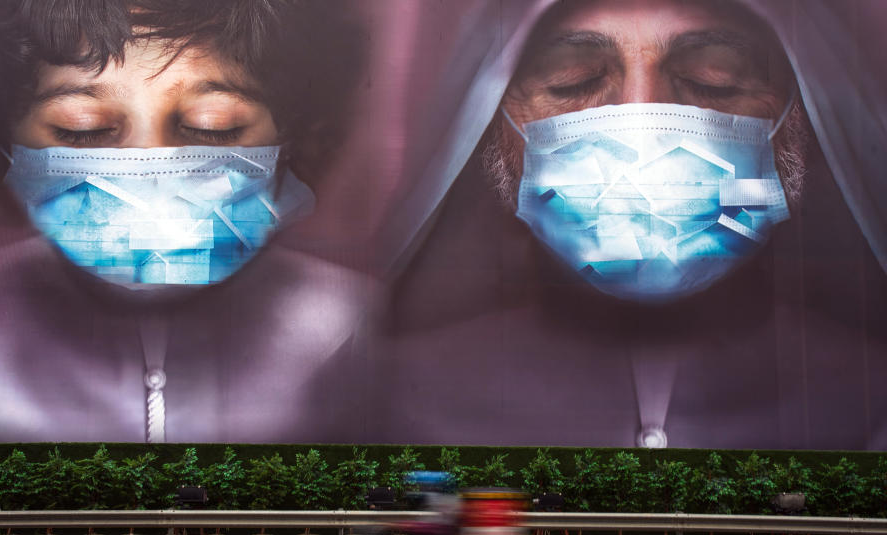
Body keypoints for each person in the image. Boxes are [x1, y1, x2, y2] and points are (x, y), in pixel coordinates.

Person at [376, 0, 887, 449]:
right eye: (571, 82)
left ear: (799, 117)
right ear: (489, 125)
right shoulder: (386, 395)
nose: (642, 122)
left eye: (715, 80)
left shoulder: (870, 403)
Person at [0, 0, 374, 443]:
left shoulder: (348, 330)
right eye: (84, 129)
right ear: (4, 141)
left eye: (212, 127)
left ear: (291, 140)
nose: (153, 175)